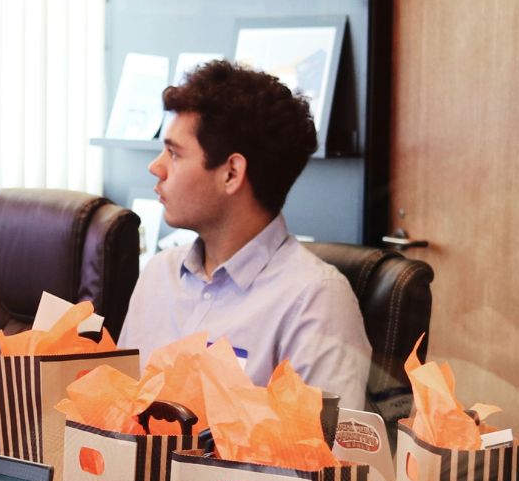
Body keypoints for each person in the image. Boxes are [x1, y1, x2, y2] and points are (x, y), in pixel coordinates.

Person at [123, 59, 373, 414]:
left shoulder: (315, 299)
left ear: (231, 173)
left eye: (175, 153)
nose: (155, 167)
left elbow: (323, 447)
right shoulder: (157, 275)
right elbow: (114, 417)